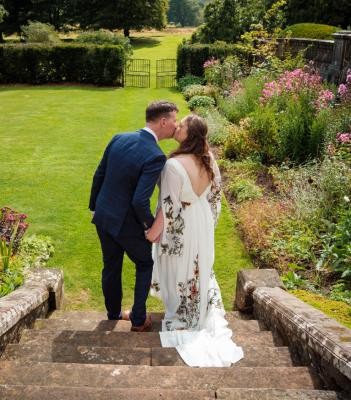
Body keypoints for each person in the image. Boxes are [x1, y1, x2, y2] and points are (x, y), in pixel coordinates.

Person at [146, 114, 244, 367]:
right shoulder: (208, 159)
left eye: (182, 125)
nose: (176, 126)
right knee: (197, 266)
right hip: (200, 222)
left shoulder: (174, 165)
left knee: (176, 266)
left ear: (188, 135)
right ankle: (195, 310)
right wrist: (208, 225)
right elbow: (215, 198)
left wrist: (153, 233)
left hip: (181, 225)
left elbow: (167, 208)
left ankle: (181, 312)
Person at [89, 100, 179, 332]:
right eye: (174, 120)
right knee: (144, 262)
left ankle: (113, 314)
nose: (176, 125)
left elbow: (99, 175)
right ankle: (138, 320)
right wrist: (149, 227)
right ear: (163, 121)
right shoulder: (156, 156)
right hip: (125, 223)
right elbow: (139, 201)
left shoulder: (119, 137)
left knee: (110, 266)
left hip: (103, 216)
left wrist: (94, 208)